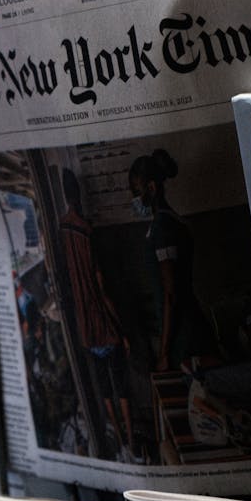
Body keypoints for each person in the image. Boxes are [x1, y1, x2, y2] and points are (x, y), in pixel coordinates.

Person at [58, 168, 139, 462]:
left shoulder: (62, 230)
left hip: (85, 329)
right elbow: (102, 287)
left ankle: (119, 441)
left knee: (105, 389)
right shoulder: (86, 230)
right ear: (77, 194)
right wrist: (121, 329)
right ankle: (130, 442)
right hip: (104, 325)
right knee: (122, 389)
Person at [128, 148, 216, 371]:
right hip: (189, 325)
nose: (135, 199)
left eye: (136, 191)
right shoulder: (173, 222)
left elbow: (170, 294)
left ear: (151, 188)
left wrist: (163, 353)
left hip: (184, 335)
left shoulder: (162, 229)